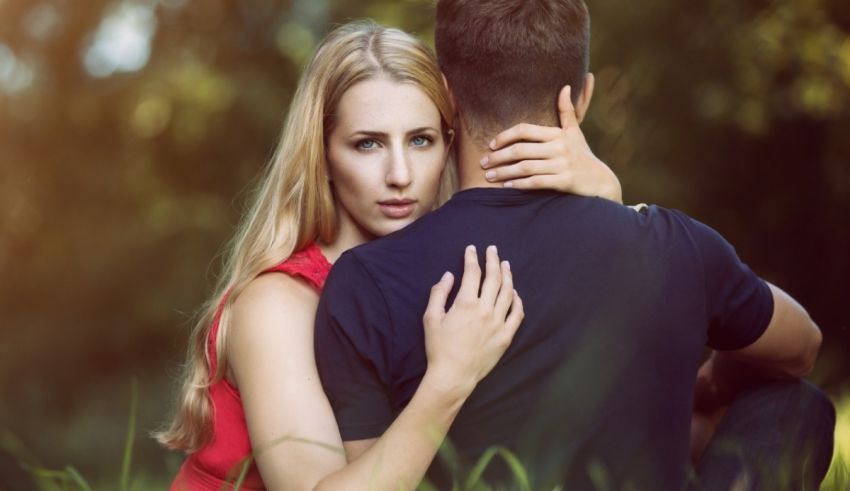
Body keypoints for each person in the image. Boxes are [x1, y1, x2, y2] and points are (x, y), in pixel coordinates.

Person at [313, 1, 835, 489]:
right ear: (580, 98)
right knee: (794, 402)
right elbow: (800, 345)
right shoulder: (676, 246)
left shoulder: (362, 282)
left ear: (446, 96)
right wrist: (716, 380)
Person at [155, 21, 623, 490]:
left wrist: (608, 204)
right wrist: (448, 378)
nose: (400, 174)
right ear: (322, 154)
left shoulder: (455, 276)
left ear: (450, 143)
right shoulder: (277, 305)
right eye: (368, 144)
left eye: (421, 140)